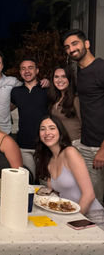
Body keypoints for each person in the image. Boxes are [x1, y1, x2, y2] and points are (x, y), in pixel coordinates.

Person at [62, 29, 104, 203]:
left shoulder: (100, 68)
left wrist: (103, 148)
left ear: (86, 44)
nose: (71, 49)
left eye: (75, 44)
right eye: (67, 47)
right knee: (92, 202)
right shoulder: (79, 72)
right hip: (88, 146)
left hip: (100, 147)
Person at [34, 115, 103, 215]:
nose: (47, 133)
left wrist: (74, 219)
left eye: (52, 128)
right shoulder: (48, 160)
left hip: (90, 215)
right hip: (67, 213)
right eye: (42, 129)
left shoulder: (70, 152)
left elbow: (89, 195)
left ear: (60, 132)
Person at [11, 58, 48, 180]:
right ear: (20, 72)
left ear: (37, 70)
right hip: (24, 146)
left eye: (30, 68)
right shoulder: (16, 92)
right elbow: (6, 108)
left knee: (45, 182)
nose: (27, 71)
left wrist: (49, 82)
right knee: (28, 181)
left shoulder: (47, 89)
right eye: (23, 68)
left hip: (44, 145)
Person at [47, 66, 81, 143]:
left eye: (64, 76)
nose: (59, 80)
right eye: (56, 77)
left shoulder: (76, 99)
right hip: (60, 143)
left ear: (69, 79)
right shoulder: (54, 99)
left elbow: (86, 126)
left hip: (76, 144)